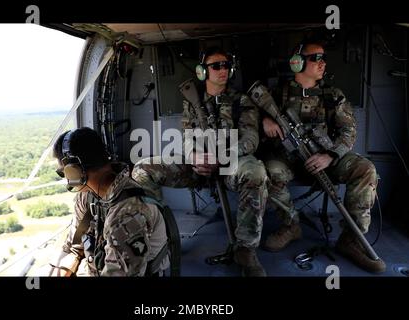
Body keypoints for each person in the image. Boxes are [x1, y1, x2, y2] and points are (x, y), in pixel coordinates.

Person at [132, 46, 271, 276]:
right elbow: (186, 136)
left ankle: (245, 250)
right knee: (142, 169)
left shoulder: (241, 101)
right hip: (197, 165)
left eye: (226, 65)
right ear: (203, 71)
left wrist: (222, 157)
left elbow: (251, 139)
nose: (222, 70)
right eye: (216, 66)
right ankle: (160, 238)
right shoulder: (192, 100)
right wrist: (194, 156)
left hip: (229, 164)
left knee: (256, 172)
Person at [254, 40, 386, 272]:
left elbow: (349, 130)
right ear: (297, 63)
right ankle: (290, 225)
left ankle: (351, 239)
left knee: (365, 169)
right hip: (287, 158)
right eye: (316, 58)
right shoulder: (276, 93)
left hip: (323, 156)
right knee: (269, 170)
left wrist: (331, 155)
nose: (322, 63)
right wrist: (264, 120)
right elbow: (249, 113)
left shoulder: (332, 95)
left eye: (323, 58)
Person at [49, 127, 173, 276]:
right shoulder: (88, 196)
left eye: (63, 172)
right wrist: (61, 269)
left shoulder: (128, 214)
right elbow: (74, 247)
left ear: (73, 170)